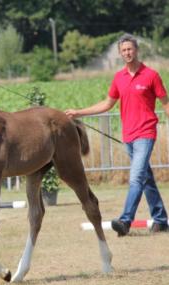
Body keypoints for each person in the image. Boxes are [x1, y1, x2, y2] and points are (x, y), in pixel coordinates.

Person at [65, 33, 169, 236]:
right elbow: (107, 104)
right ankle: (161, 219)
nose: (127, 53)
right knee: (145, 178)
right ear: (120, 53)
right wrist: (79, 112)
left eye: (130, 49)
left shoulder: (151, 75)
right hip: (128, 135)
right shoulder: (119, 78)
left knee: (136, 177)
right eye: (124, 50)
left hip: (146, 133)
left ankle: (125, 220)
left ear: (136, 50)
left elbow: (165, 103)